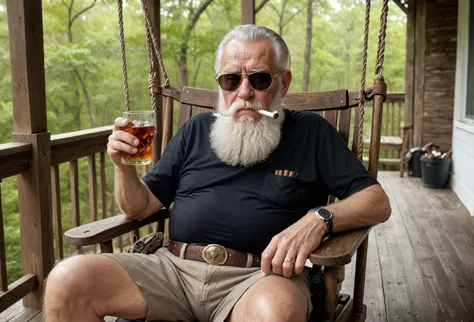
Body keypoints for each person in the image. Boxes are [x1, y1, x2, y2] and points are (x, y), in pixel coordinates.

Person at [43, 24, 391, 322]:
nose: (244, 92)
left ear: (283, 83)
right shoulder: (196, 130)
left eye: (259, 78)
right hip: (172, 270)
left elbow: (376, 201)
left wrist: (319, 219)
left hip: (261, 277)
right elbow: (139, 208)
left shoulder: (311, 133)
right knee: (67, 279)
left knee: (276, 312)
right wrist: (122, 169)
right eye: (230, 79)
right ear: (220, 84)